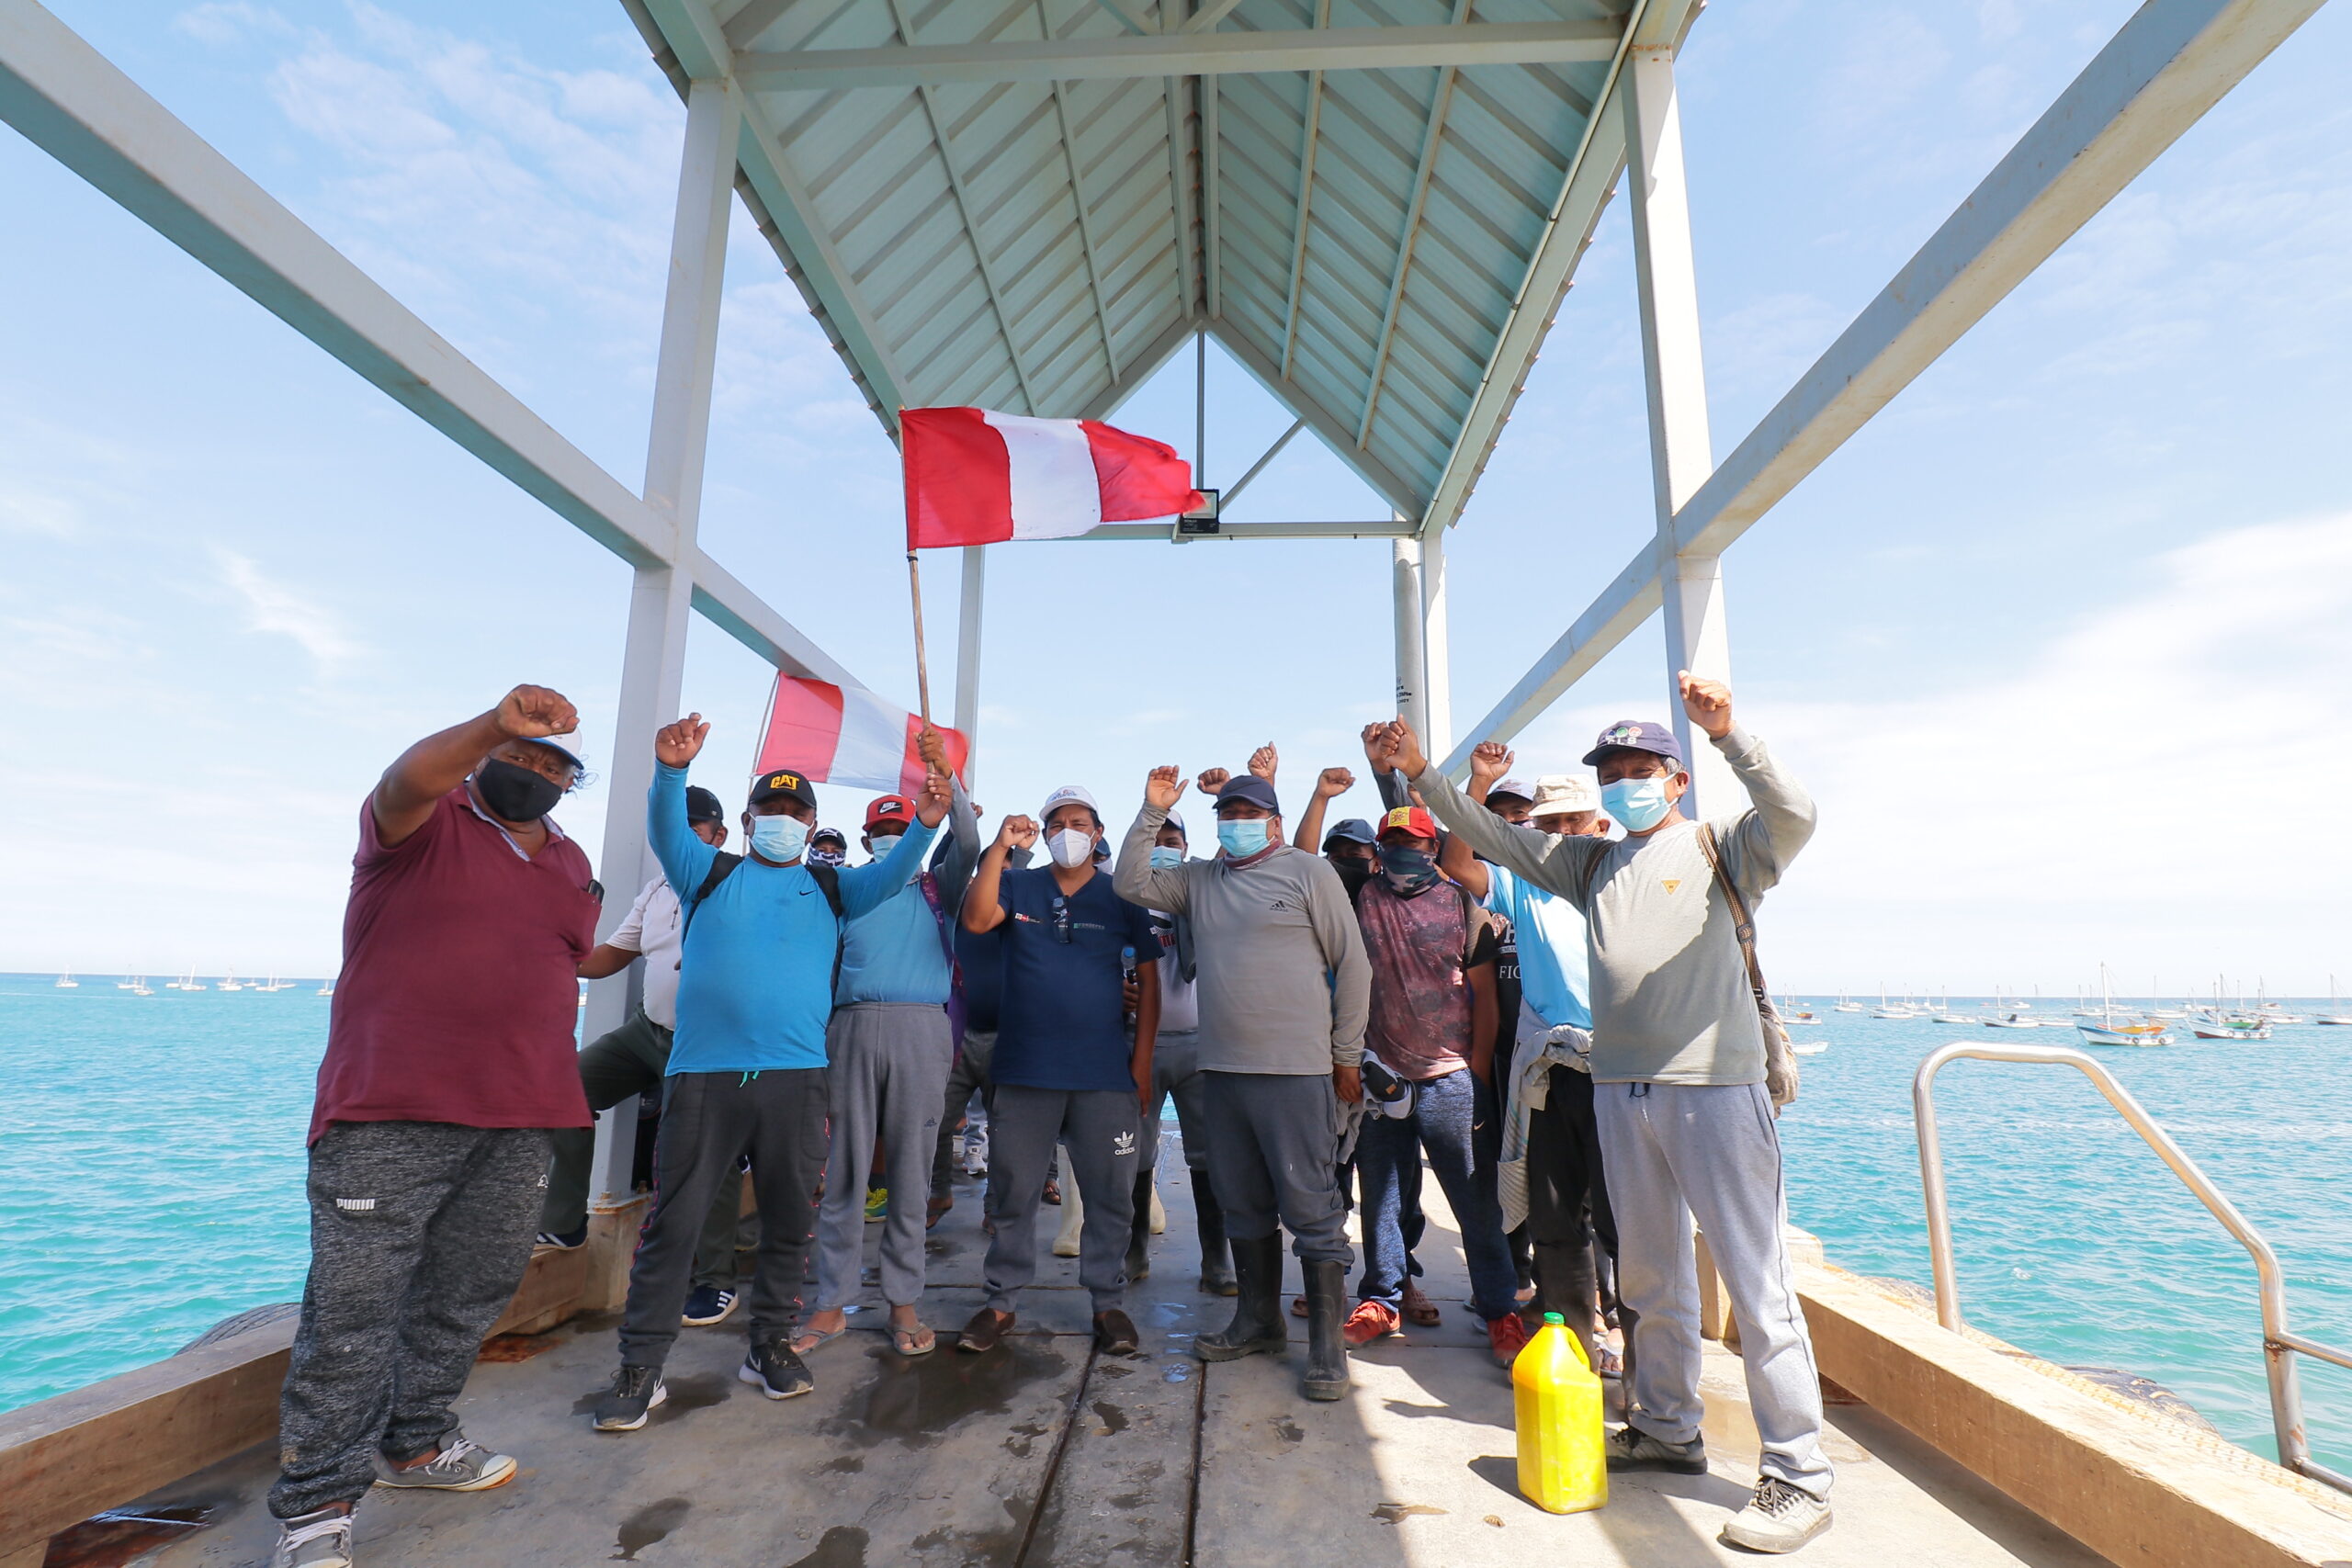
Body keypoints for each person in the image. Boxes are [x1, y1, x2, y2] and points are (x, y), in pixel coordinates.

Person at [1373, 675, 1834, 1555]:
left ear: (1675, 777)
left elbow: (1796, 812)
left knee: (1756, 1280)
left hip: (1714, 1087)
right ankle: (1665, 1426)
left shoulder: (1720, 846)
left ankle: (1799, 1473)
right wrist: (1425, 774)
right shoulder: (1591, 862)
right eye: (1612, 768)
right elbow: (1490, 837)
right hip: (1620, 1088)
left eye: (1640, 767)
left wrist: (1731, 733)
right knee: (1652, 1275)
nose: (1627, 780)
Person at [269, 687, 599, 1568]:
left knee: (469, 1292)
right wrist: (499, 723)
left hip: (524, 1113)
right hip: (389, 1109)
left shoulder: (570, 860)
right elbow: (403, 777)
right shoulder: (420, 822)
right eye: (520, 757)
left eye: (551, 766)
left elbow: (573, 951)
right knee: (352, 1310)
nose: (533, 772)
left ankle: (417, 1442)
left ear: (571, 785)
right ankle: (316, 1510)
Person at [592, 715, 948, 1431]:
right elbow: (667, 828)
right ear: (749, 822)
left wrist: (927, 824)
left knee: (791, 1223)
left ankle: (770, 1345)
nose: (783, 819)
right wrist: (670, 771)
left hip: (797, 1081)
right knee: (676, 1226)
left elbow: (895, 870)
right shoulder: (707, 872)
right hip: (704, 1079)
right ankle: (641, 1365)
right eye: (770, 810)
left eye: (796, 811)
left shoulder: (836, 887)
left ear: (813, 820)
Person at [1114, 769, 1370, 1403]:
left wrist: (1346, 1055)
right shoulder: (1200, 879)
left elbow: (1354, 964)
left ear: (1275, 822)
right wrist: (1151, 812)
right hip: (1221, 1071)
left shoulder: (1309, 872)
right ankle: (1259, 1318)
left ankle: (1327, 1349)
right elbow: (1129, 881)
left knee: (1312, 1210)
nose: (1237, 821)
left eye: (1249, 811)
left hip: (1298, 1071)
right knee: (1242, 1203)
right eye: (1226, 812)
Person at [956, 787, 1163, 1355]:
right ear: (1043, 834)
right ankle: (1000, 1303)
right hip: (1025, 1070)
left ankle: (1108, 1303)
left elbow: (1149, 984)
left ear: (1098, 833)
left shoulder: (1122, 894)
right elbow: (976, 920)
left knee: (1110, 1197)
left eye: (1078, 822)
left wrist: (1141, 1065)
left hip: (1103, 1074)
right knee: (1012, 1194)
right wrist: (1000, 848)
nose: (1066, 831)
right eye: (1056, 823)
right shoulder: (1019, 884)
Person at [538, 783, 749, 1330]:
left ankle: (715, 1282)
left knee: (710, 1154)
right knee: (564, 1090)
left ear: (720, 836)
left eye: (692, 828)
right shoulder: (655, 891)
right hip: (648, 1031)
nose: (677, 839)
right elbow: (607, 957)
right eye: (669, 830)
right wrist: (543, 946)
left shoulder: (741, 882)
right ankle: (564, 1222)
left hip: (710, 1043)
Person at [1438, 752, 1619, 1374]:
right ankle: (1573, 1348)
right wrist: (1480, 784)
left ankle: (1647, 1364)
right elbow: (1458, 863)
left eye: (1576, 822)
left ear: (1601, 825)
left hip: (1624, 1069)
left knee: (1625, 1220)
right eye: (1552, 824)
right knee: (1556, 1214)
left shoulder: (1625, 877)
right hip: (1549, 1073)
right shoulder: (1525, 882)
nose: (1564, 833)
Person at [798, 751, 980, 1359]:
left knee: (909, 1171)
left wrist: (948, 781)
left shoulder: (942, 886)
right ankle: (831, 1302)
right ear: (867, 838)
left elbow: (971, 841)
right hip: (850, 1026)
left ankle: (903, 1301)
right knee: (845, 1169)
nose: (890, 841)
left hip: (922, 1029)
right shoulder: (850, 883)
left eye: (900, 831)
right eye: (880, 832)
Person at [1344, 806, 1521, 1365]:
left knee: (1476, 1204)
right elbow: (1303, 853)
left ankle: (1499, 1310)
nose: (1405, 852)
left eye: (1417, 842)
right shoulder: (1359, 898)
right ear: (1378, 848)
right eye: (1393, 841)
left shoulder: (1462, 905)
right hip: (1382, 1078)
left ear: (1434, 848)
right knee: (1381, 1197)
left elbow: (1485, 996)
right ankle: (1381, 1299)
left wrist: (1477, 1073)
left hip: (1451, 1080)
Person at [1125, 808, 1236, 1294]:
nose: (1165, 845)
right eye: (1156, 837)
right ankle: (1134, 1253)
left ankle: (1217, 1261)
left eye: (1175, 839)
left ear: (1188, 848)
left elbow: (1242, 861)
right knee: (1134, 1154)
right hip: (1136, 1045)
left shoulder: (1201, 895)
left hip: (1199, 1045)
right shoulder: (1122, 898)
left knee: (1210, 1158)